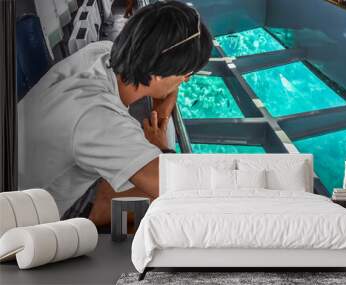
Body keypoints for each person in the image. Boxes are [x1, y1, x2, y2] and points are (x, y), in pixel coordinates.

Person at [18, 1, 213, 229]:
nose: (185, 81)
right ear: (159, 74)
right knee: (166, 205)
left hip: (32, 177)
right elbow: (175, 186)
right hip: (31, 221)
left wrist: (164, 106)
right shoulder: (99, 119)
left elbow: (159, 72)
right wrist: (162, 148)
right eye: (187, 75)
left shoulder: (101, 52)